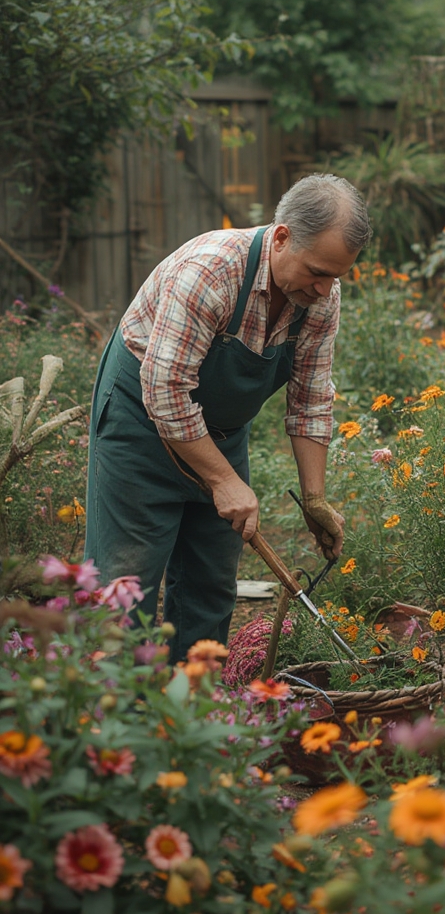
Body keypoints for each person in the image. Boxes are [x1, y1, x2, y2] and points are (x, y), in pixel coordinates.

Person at [85, 173, 371, 663]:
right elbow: (166, 391)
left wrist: (315, 498)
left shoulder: (319, 297)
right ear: (281, 237)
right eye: (317, 272)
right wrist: (224, 480)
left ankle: (192, 717)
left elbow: (310, 398)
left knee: (211, 586)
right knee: (125, 587)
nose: (325, 290)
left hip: (218, 433)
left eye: (335, 277)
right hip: (140, 424)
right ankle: (113, 729)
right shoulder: (210, 271)